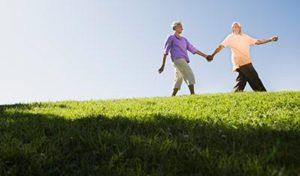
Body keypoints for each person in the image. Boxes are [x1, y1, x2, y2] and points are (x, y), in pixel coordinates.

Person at [207, 22, 278, 92]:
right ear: (232, 29)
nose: (236, 27)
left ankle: (235, 95)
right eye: (234, 27)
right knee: (254, 77)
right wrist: (213, 55)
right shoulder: (230, 37)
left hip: (246, 60)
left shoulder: (246, 37)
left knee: (241, 80)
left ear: (240, 28)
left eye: (237, 26)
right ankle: (263, 94)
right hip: (241, 61)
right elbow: (220, 46)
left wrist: (270, 39)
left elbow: (258, 41)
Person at [158, 21, 212, 96]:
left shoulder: (184, 40)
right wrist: (162, 65)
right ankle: (192, 94)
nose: (182, 28)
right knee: (189, 72)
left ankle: (173, 96)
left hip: (182, 60)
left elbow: (193, 49)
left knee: (179, 77)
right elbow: (165, 51)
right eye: (180, 26)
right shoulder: (171, 37)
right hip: (177, 59)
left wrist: (205, 56)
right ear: (175, 27)